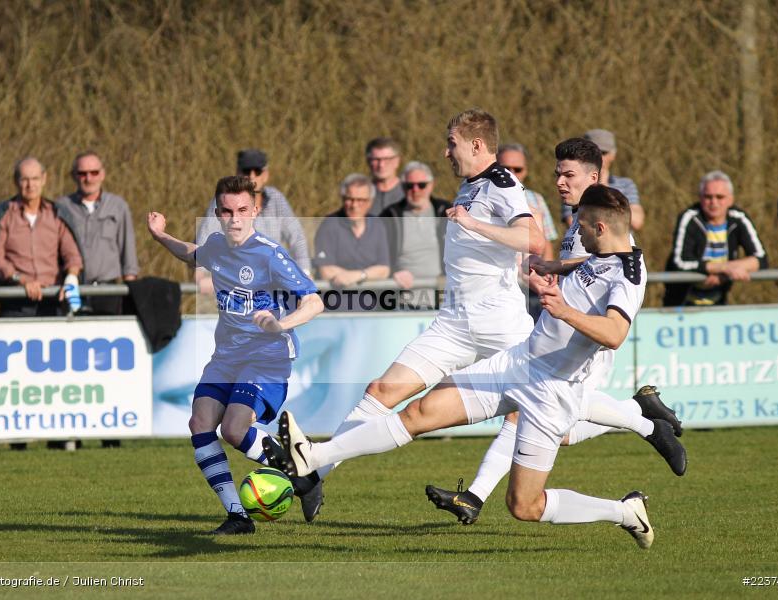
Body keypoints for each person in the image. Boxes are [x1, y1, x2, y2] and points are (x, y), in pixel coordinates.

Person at [275, 185, 685, 549]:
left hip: (552, 391)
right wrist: (551, 274)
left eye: (581, 223)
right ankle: (313, 457)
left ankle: (625, 511)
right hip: (518, 362)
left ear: (600, 228)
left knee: (525, 506)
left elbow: (614, 333)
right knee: (418, 412)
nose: (575, 230)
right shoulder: (603, 253)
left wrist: (563, 310)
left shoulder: (630, 275)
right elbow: (586, 269)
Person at [291, 109, 545, 519]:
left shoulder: (502, 183)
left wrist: (476, 227)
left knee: (543, 412)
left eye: (452, 143)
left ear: (476, 145)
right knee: (381, 391)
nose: (445, 152)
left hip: (501, 326)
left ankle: (639, 419)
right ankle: (314, 475)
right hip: (453, 324)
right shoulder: (468, 187)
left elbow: (534, 241)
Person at [424, 139, 682, 526]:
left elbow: (614, 272)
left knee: (525, 417)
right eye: (558, 173)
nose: (560, 181)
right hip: (560, 339)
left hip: (584, 347)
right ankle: (641, 418)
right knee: (543, 425)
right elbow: (585, 266)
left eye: (569, 174)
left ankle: (641, 418)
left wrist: (560, 293)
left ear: (593, 177)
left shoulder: (605, 223)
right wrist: (551, 270)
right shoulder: (580, 217)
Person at [147, 175, 325, 534]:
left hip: (266, 356)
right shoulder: (215, 246)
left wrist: (281, 324)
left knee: (233, 428)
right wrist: (160, 236)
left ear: (255, 211)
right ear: (217, 213)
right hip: (227, 356)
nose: (235, 219)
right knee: (200, 424)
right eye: (227, 211)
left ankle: (303, 473)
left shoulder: (270, 254)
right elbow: (191, 253)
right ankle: (238, 516)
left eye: (243, 210)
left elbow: (315, 301)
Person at [196, 149, 311, 299]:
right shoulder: (224, 201)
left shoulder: (277, 199)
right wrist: (200, 276)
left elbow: (297, 239)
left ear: (266, 175)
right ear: (237, 172)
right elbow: (202, 242)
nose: (251, 176)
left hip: (271, 293)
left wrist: (305, 274)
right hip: (233, 290)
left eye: (257, 171)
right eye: (246, 171)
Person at [0, 157, 83, 317]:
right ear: (15, 181)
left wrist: (72, 277)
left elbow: (72, 255)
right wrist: (23, 280)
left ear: (44, 179)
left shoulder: (57, 215)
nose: (30, 185)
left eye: (35, 179)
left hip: (52, 301)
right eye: (24, 179)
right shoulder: (3, 216)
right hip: (16, 302)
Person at [664, 170, 767, 306]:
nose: (714, 202)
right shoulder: (689, 218)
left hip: (719, 303)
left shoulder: (739, 218)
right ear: (700, 198)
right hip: (681, 303)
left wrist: (727, 270)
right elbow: (680, 261)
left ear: (730, 199)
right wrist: (722, 268)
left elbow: (760, 259)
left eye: (720, 197)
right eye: (708, 197)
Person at [55, 151, 139, 315]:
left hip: (108, 292)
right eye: (82, 173)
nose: (89, 178)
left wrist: (132, 294)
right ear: (73, 176)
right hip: (71, 290)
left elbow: (128, 255)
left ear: (102, 174)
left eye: (94, 172)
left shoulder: (117, 206)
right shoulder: (61, 207)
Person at [313, 173, 390, 309]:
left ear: (370, 202)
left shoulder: (378, 225)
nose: (355, 205)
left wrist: (357, 275)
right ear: (343, 199)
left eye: (361, 200)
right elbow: (325, 270)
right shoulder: (329, 225)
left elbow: (384, 270)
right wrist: (369, 274)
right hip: (336, 308)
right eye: (350, 199)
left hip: (373, 308)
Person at [380, 161, 451, 309]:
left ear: (431, 185)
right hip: (401, 301)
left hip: (443, 300)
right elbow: (378, 255)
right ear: (402, 187)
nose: (415, 190)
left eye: (421, 185)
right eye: (409, 186)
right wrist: (393, 271)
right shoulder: (389, 216)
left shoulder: (447, 212)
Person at [561, 130, 644, 232]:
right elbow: (574, 224)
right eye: (594, 153)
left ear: (613, 155)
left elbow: (637, 222)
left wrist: (604, 188)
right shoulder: (572, 183)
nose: (599, 157)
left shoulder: (626, 184)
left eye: (604, 153)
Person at [497, 143, 558, 260]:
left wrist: (545, 273)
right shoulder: (481, 199)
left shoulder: (536, 199)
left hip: (530, 274)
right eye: (505, 168)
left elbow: (546, 242)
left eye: (517, 169)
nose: (511, 173)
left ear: (525, 171)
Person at [366, 137, 404, 215]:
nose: (381, 165)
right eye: (376, 159)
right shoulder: (359, 195)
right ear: (368, 161)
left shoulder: (411, 192)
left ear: (397, 161)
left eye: (387, 159)